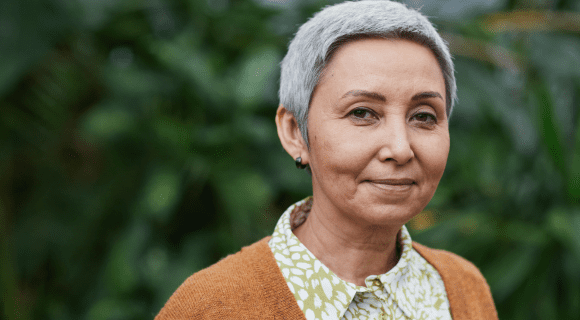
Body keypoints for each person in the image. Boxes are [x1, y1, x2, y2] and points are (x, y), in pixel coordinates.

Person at [155, 1, 498, 319]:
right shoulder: (214, 308)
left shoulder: (463, 290)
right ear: (294, 132)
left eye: (423, 116)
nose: (401, 148)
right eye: (362, 112)